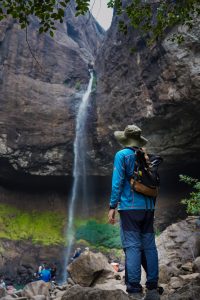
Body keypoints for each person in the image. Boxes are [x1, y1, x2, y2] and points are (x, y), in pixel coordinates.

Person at [108, 124, 160, 300]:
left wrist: (112, 206)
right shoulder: (144, 156)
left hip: (130, 209)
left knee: (132, 246)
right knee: (149, 247)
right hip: (148, 208)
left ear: (125, 139)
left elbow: (117, 182)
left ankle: (134, 289)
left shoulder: (122, 155)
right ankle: (153, 288)